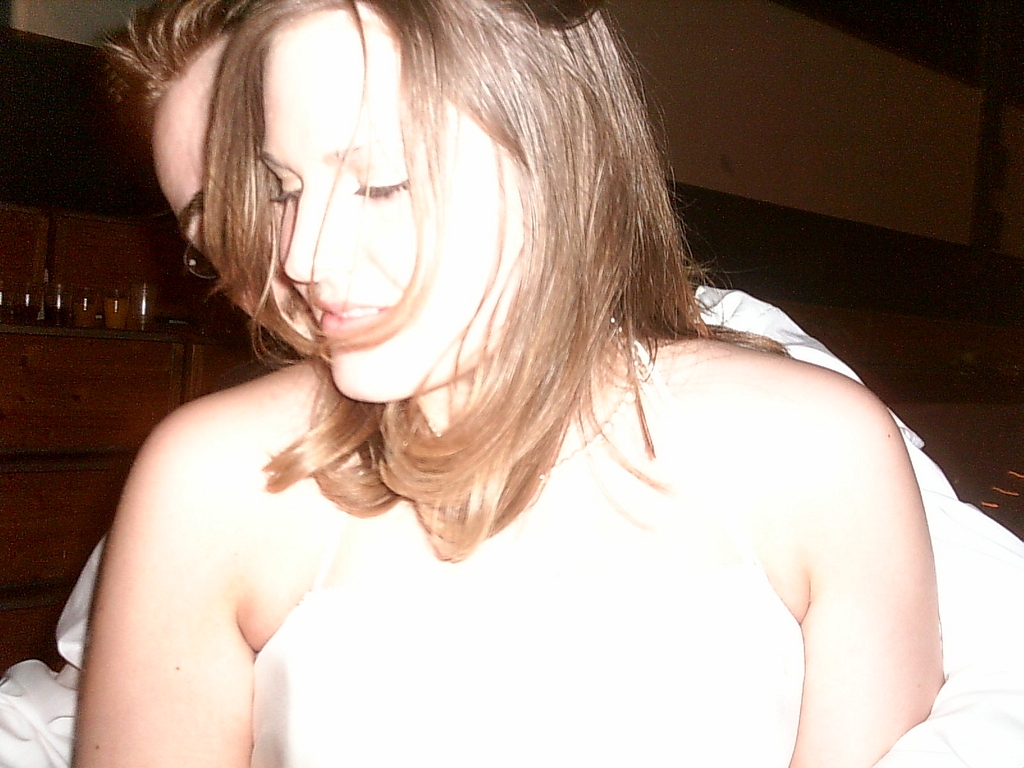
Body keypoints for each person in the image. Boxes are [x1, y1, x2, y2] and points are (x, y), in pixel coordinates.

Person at [72, 1, 944, 766]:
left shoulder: (819, 455)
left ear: (561, 157)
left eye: (380, 184)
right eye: (284, 189)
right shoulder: (212, 480)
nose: (299, 257)